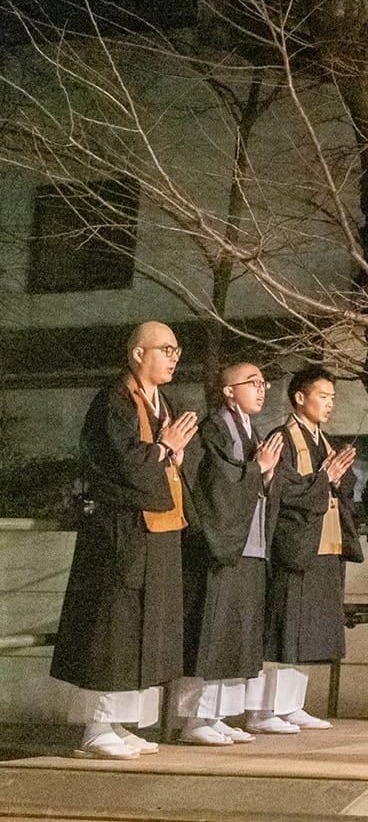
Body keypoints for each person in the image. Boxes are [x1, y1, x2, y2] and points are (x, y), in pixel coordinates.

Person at [51, 322, 199, 759]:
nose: (174, 357)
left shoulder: (162, 401)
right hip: (120, 533)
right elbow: (116, 464)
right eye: (166, 349)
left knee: (146, 628)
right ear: (138, 354)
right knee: (112, 629)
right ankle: (96, 729)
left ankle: (122, 723)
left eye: (177, 350)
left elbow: (163, 458)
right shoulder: (114, 399)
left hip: (156, 529)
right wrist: (163, 449)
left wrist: (172, 451)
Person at [171, 362, 285, 746]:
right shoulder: (214, 429)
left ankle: (218, 714)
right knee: (209, 632)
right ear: (228, 391)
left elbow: (253, 478)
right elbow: (216, 485)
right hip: (222, 545)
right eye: (251, 383)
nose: (260, 389)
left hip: (249, 546)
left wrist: (264, 475)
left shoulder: (251, 430)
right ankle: (194, 718)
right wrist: (258, 470)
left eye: (262, 382)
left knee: (237, 635)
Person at [251, 364, 359, 734]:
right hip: (293, 545)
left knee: (308, 630)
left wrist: (339, 478)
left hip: (323, 544)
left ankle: (292, 704)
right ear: (299, 397)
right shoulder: (280, 437)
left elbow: (342, 485)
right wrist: (326, 478)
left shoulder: (323, 440)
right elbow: (284, 488)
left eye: (332, 398)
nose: (329, 404)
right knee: (283, 627)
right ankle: (263, 710)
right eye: (322, 396)